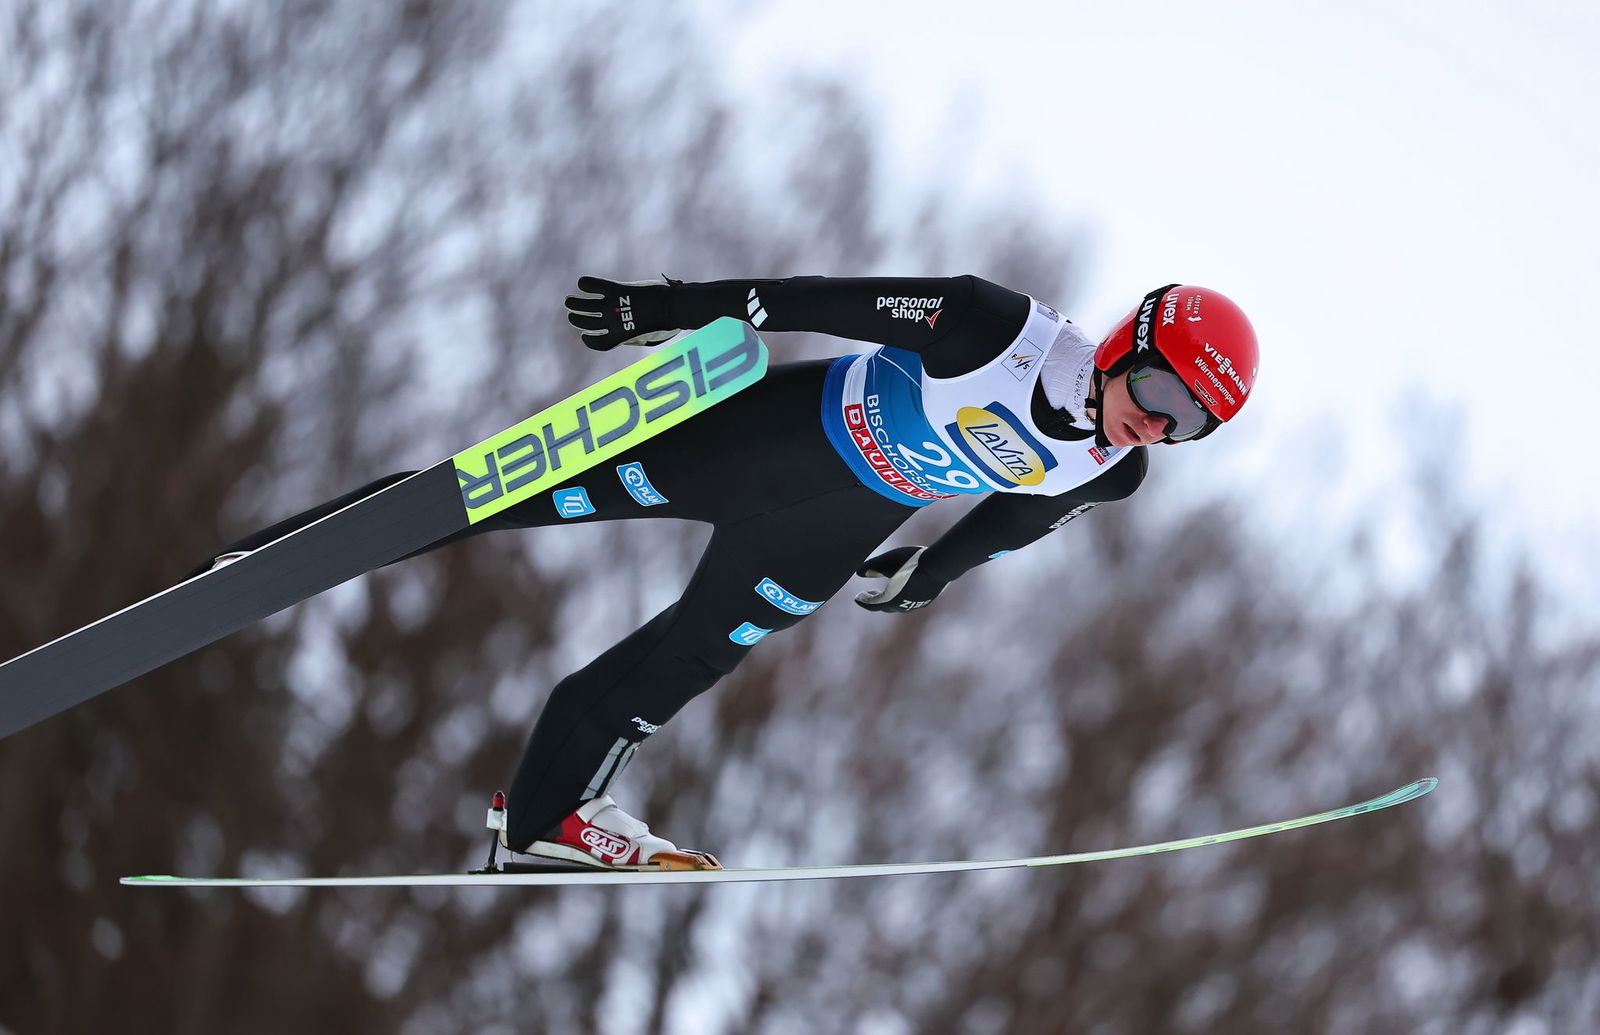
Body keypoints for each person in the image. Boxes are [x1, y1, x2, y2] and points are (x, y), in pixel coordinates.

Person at [201, 274, 1259, 871]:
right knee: (496, 493)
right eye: (1161, 391)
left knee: (689, 658)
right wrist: (673, 311)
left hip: (825, 532)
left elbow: (1017, 521)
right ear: (1132, 340)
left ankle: (544, 820)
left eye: (1190, 425)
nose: (1158, 424)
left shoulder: (1112, 473)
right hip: (758, 440)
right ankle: (274, 556)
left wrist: (928, 575)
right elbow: (817, 300)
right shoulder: (993, 331)